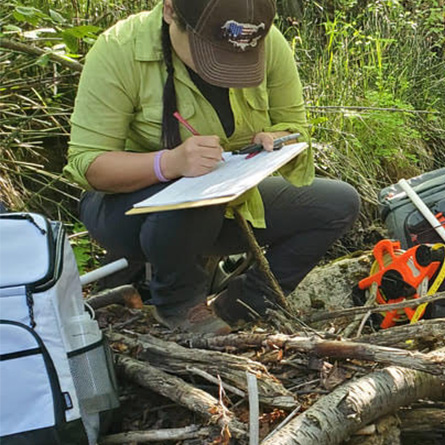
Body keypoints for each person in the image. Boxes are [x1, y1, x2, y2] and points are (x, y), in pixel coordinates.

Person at [65, 0, 359, 334]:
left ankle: (242, 306)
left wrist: (278, 139)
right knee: (201, 196)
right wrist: (170, 163)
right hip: (128, 212)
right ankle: (179, 306)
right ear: (170, 12)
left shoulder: (262, 40)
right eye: (212, 52)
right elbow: (89, 165)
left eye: (240, 60)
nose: (227, 68)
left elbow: (296, 128)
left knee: (336, 204)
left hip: (229, 199)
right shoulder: (121, 49)